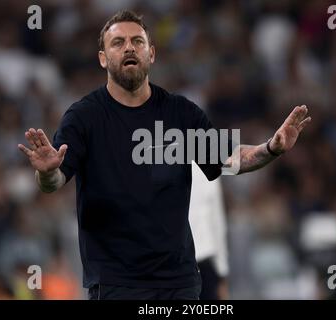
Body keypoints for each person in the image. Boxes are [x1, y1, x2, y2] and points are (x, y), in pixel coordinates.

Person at [17, 10, 311, 300]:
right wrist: (46, 171)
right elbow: (54, 182)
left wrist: (270, 148)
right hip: (117, 284)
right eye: (118, 43)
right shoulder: (84, 117)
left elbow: (229, 160)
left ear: (151, 54)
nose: (129, 47)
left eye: (138, 41)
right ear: (103, 58)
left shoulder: (181, 113)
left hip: (180, 283)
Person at [189, 162, 229, 300]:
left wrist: (222, 273)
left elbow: (217, 221)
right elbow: (217, 221)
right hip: (184, 263)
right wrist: (222, 272)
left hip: (201, 261)